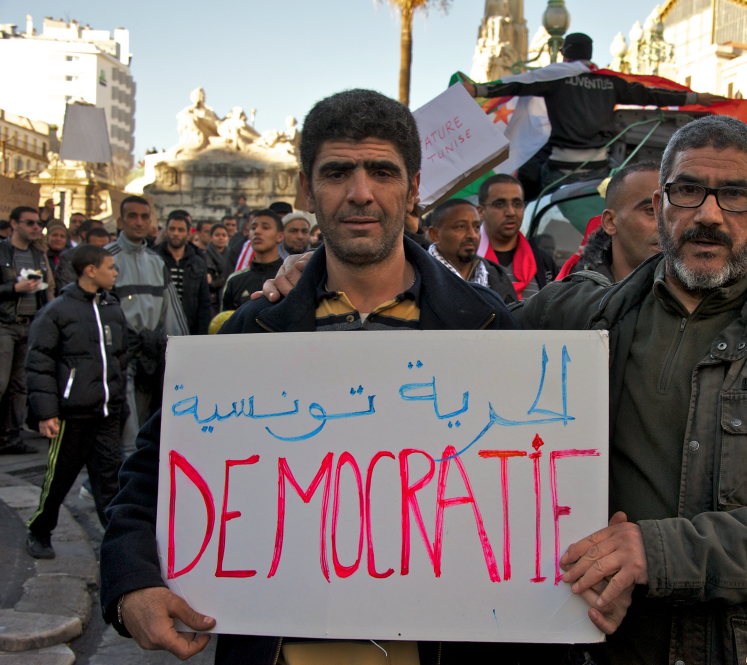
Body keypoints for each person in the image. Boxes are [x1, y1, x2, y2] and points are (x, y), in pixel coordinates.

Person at [100, 88, 518, 665]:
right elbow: (153, 471)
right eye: (338, 171)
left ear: (415, 187)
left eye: (382, 171)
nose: (361, 192)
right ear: (306, 188)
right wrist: (131, 583)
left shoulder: (493, 331)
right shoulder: (251, 334)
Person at [512, 114, 747, 664]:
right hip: (609, 646)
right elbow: (459, 349)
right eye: (688, 191)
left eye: (735, 195)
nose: (709, 215)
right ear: (661, 206)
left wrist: (657, 553)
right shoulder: (580, 317)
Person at [463, 33, 725, 190]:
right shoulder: (609, 83)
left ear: (565, 57)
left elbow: (517, 85)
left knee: (527, 181)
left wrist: (478, 91)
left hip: (559, 169)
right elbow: (650, 94)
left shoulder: (557, 79)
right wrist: (696, 97)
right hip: (600, 169)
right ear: (589, 56)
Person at [24, 245, 128, 559]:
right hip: (72, 415)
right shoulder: (57, 311)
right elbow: (39, 362)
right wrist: (47, 413)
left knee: (110, 482)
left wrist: (117, 395)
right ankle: (39, 531)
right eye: (110, 267)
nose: (115, 272)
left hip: (107, 413)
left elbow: (120, 355)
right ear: (90, 270)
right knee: (59, 479)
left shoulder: (112, 307)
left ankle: (116, 546)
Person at [109, 196, 188, 457]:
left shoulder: (156, 261)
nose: (139, 222)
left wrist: (181, 351)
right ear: (121, 221)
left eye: (144, 216)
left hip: (150, 352)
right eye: (132, 216)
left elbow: (171, 310)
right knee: (127, 427)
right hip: (120, 353)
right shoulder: (108, 258)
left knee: (142, 420)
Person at [0, 207, 54, 455]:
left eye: (39, 224)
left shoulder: (38, 254)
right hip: (5, 323)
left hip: (31, 324)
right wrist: (14, 287)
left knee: (20, 385)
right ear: (14, 224)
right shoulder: (3, 251)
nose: (36, 228)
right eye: (30, 223)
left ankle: (10, 437)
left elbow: (49, 287)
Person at [568, 161, 661, 283]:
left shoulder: (690, 295)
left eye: (673, 211)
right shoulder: (572, 298)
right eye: (650, 210)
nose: (667, 224)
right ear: (610, 222)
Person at [476, 173, 556, 299]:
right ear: (481, 211)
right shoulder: (467, 260)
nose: (510, 212)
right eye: (500, 204)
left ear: (524, 208)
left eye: (517, 204)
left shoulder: (543, 262)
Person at [425, 198, 518, 303]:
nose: (472, 235)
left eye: (477, 227)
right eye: (461, 227)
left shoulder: (497, 275)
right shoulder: (418, 275)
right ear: (435, 234)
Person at [156, 214, 212, 335]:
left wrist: (202, 334)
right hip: (160, 329)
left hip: (189, 328)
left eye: (180, 230)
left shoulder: (198, 263)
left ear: (188, 234)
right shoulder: (155, 259)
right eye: (172, 229)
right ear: (166, 231)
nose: (176, 233)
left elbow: (204, 302)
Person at [220, 210, 284, 312]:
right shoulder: (235, 281)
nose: (257, 231)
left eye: (265, 227)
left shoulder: (290, 275)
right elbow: (225, 322)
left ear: (280, 236)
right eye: (253, 228)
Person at [204, 223, 232, 315]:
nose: (221, 238)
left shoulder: (233, 257)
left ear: (228, 238)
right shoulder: (203, 257)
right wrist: (222, 281)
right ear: (211, 237)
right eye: (217, 235)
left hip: (227, 299)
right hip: (210, 301)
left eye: (224, 235)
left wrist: (216, 282)